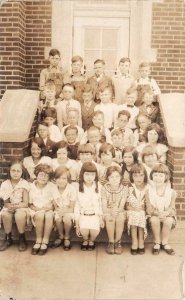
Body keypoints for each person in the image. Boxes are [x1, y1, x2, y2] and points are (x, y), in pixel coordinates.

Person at [145, 163, 176, 255]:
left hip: (167, 215)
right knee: (154, 220)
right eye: (155, 175)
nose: (158, 178)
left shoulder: (171, 192)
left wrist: (166, 213)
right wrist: (158, 214)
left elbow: (172, 207)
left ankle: (165, 242)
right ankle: (157, 242)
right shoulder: (149, 191)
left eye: (161, 175)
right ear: (152, 176)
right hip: (154, 215)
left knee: (169, 221)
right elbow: (149, 208)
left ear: (166, 177)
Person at [29, 164, 59, 255]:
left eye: (46, 176)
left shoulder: (52, 186)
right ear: (36, 175)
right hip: (35, 210)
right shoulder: (31, 186)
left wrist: (51, 207)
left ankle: (45, 241)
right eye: (41, 175)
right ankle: (38, 241)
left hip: (48, 209)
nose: (43, 178)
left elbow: (55, 203)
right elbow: (29, 204)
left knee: (49, 215)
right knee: (40, 215)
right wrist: (36, 208)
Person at [0, 159, 30, 252]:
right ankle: (8, 238)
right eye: (13, 170)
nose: (15, 173)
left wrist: (16, 207)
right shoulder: (5, 184)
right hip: (10, 206)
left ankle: (22, 237)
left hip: (21, 206)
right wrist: (10, 207)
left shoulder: (24, 183)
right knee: (6, 214)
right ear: (9, 171)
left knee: (19, 214)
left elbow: (25, 203)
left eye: (18, 171)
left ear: (22, 172)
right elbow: (6, 202)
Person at [74, 162, 103, 250]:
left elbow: (100, 203)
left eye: (92, 175)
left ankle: (92, 240)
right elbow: (77, 205)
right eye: (87, 174)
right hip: (83, 214)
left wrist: (101, 218)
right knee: (84, 231)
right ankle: (85, 239)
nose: (89, 177)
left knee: (94, 232)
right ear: (82, 174)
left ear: (95, 175)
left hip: (95, 214)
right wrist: (77, 224)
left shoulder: (99, 186)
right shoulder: (78, 187)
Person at [101, 166, 127, 254]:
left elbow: (122, 205)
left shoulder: (124, 189)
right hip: (108, 211)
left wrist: (117, 211)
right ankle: (111, 242)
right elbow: (104, 207)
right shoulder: (104, 188)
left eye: (117, 177)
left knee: (120, 218)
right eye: (111, 177)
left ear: (120, 178)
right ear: (108, 178)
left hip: (120, 210)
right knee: (110, 218)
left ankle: (118, 241)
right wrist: (111, 211)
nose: (114, 179)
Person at [52, 166, 77, 250]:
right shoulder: (53, 189)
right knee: (58, 218)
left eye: (64, 178)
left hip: (69, 210)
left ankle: (67, 236)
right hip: (59, 210)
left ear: (68, 179)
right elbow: (55, 206)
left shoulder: (71, 189)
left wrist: (64, 212)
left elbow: (72, 207)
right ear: (55, 179)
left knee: (66, 218)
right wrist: (59, 211)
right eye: (58, 178)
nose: (61, 180)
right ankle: (60, 236)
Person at [126, 163, 148, 255]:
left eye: (141, 175)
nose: (138, 178)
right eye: (135, 176)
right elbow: (126, 205)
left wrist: (143, 208)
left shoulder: (147, 188)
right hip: (132, 211)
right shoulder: (129, 187)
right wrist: (132, 208)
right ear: (131, 176)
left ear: (145, 176)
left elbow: (149, 204)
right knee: (134, 215)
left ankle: (141, 241)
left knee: (140, 215)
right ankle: (134, 241)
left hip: (144, 212)